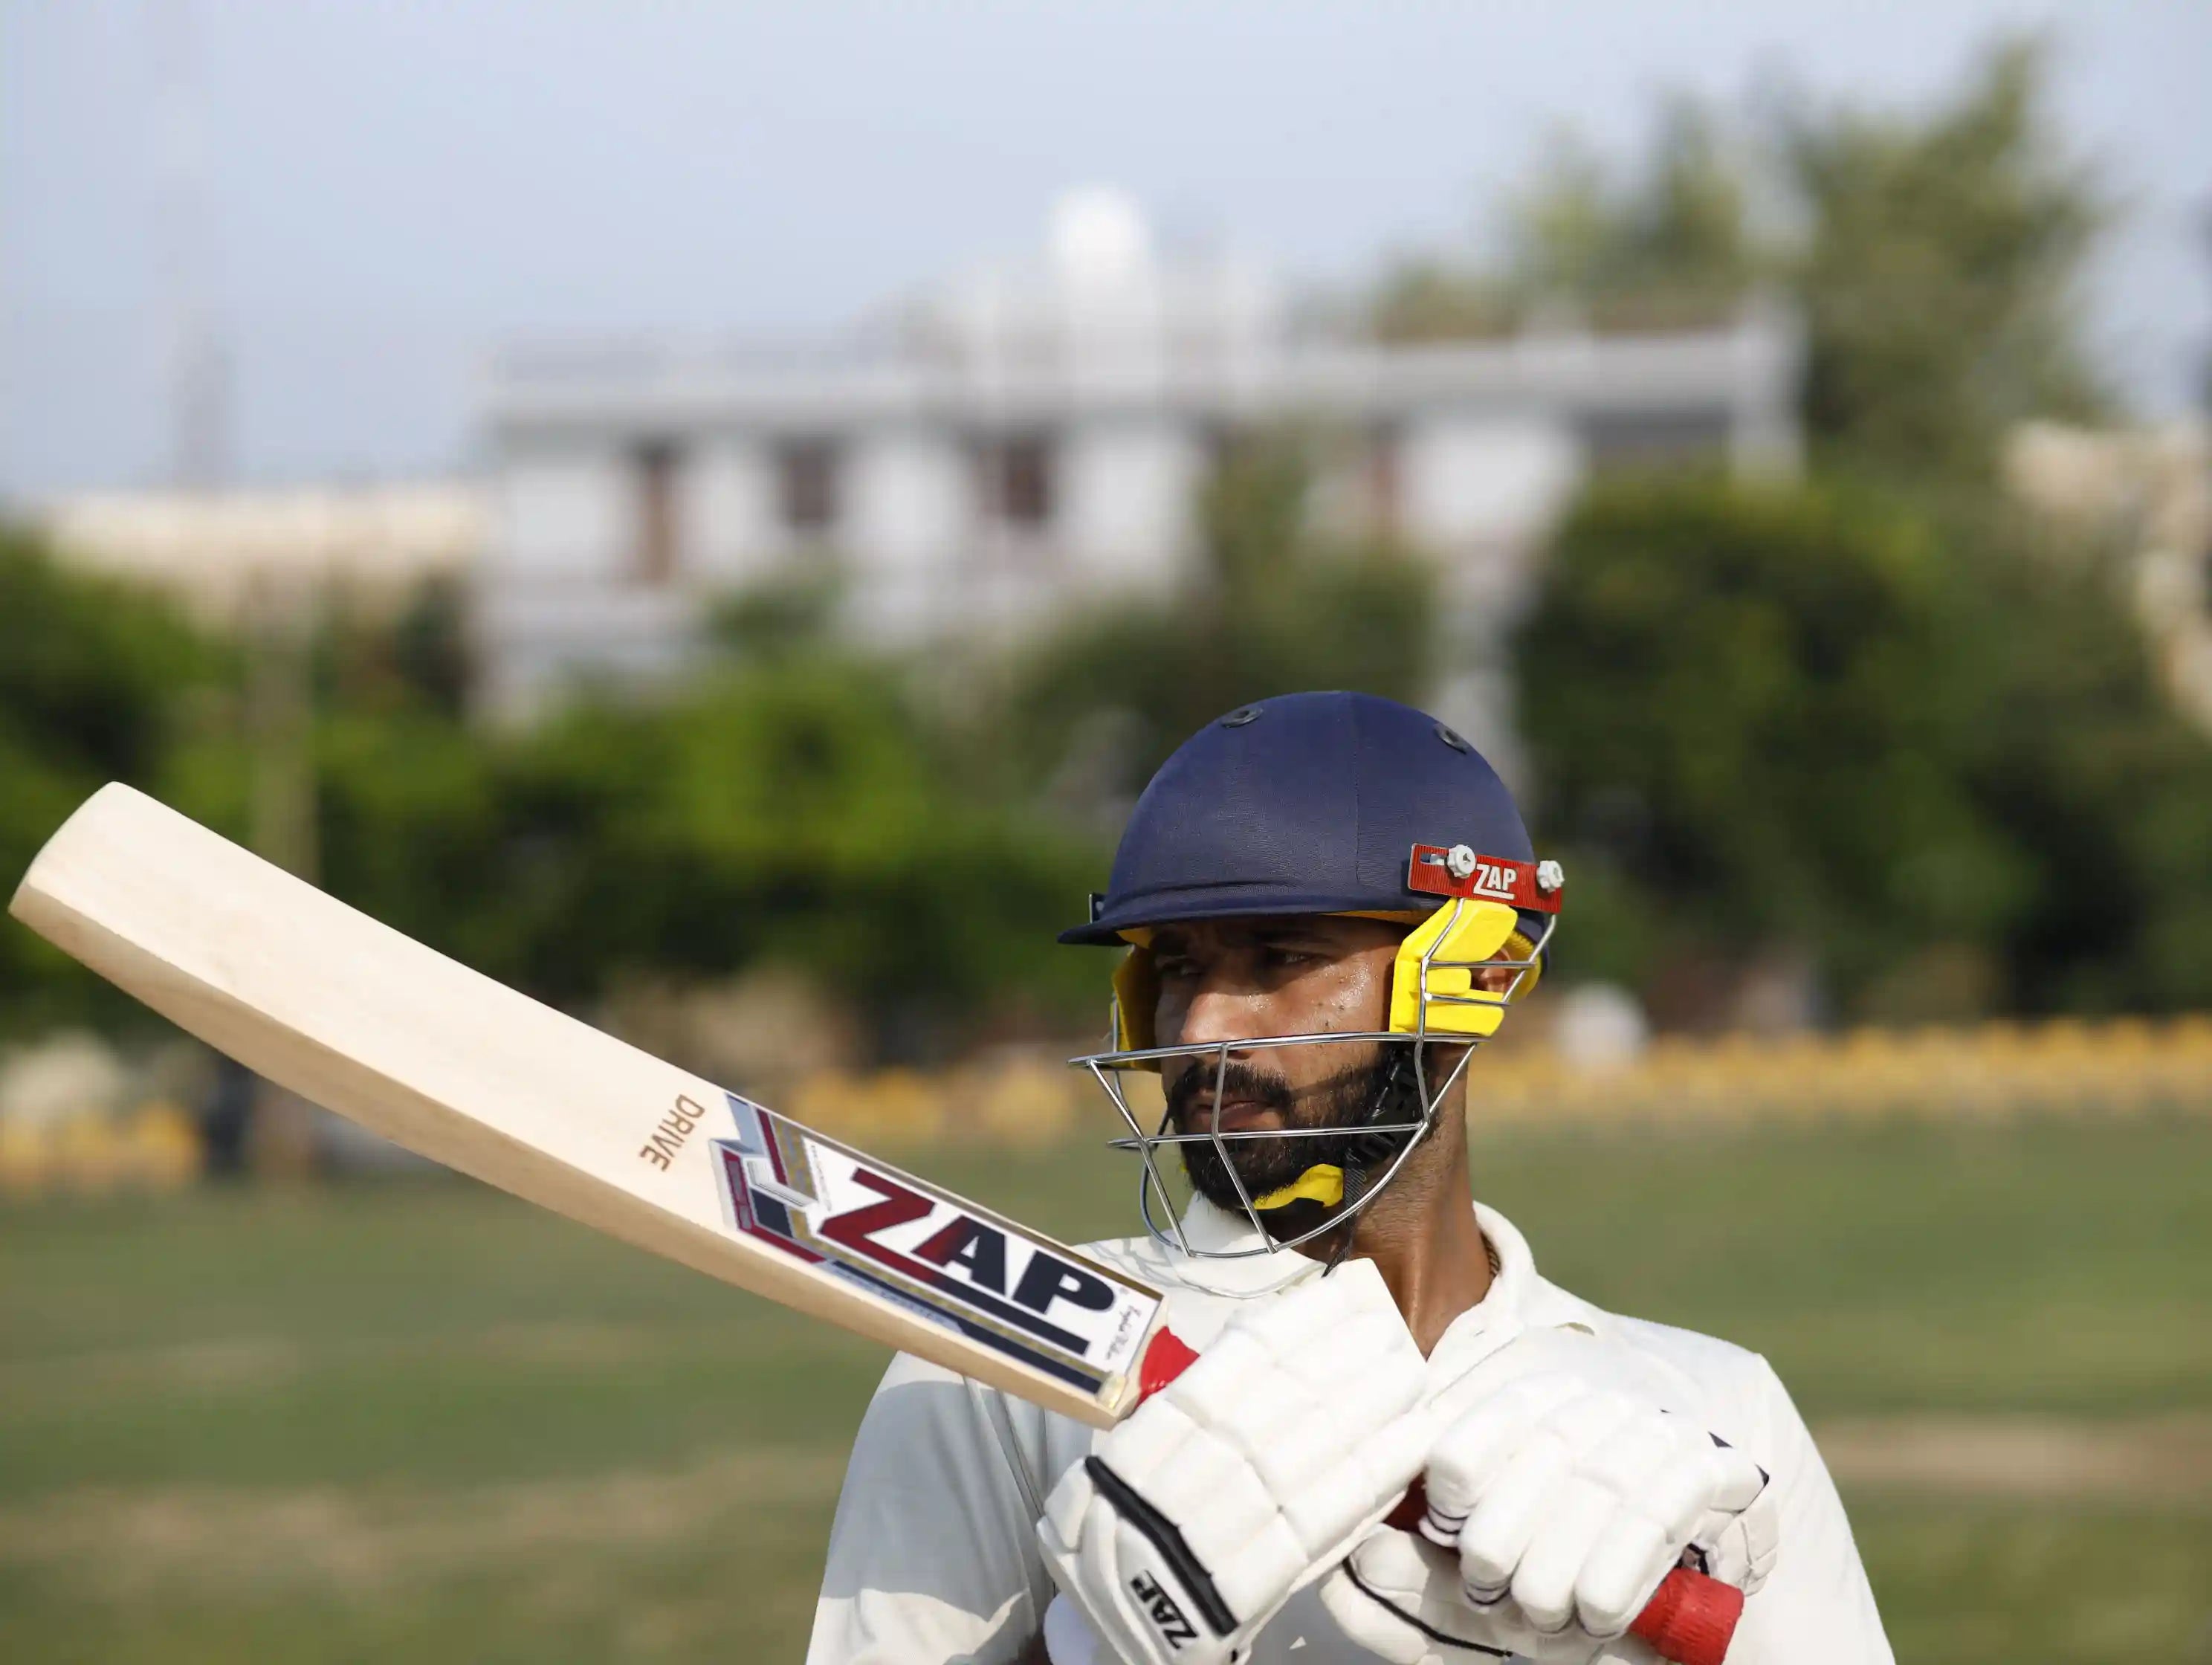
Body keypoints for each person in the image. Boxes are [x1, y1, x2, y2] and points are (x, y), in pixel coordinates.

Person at [807, 691, 1891, 1664]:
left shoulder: (1707, 1413)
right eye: (1179, 968)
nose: (1202, 1028)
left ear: (1479, 974)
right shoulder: (994, 1366)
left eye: (1279, 960)